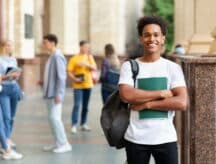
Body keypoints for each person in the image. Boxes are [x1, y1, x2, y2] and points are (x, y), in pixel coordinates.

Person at [118, 16, 188, 164]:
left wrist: (147, 104)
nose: (152, 39)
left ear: (162, 38)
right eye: (147, 35)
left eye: (156, 35)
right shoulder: (129, 66)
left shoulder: (172, 68)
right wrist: (161, 94)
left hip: (166, 138)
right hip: (136, 138)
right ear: (141, 39)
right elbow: (126, 95)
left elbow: (181, 102)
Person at [42, 34, 72, 153]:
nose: (44, 45)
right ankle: (58, 142)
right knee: (52, 119)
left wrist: (59, 94)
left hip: (55, 94)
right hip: (49, 93)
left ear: (53, 42)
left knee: (55, 119)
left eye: (45, 42)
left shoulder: (57, 56)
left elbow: (61, 77)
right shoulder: (52, 56)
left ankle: (64, 143)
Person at [67, 40, 97, 134]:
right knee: (77, 105)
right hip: (78, 85)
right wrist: (74, 79)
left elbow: (94, 68)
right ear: (80, 47)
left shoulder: (89, 57)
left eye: (88, 47)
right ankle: (74, 125)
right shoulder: (74, 58)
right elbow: (69, 71)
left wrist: (86, 64)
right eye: (85, 47)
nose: (87, 49)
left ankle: (83, 123)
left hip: (88, 84)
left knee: (85, 106)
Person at [0, 40, 23, 160]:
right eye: (8, 45)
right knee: (6, 117)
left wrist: (16, 75)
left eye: (11, 45)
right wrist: (9, 76)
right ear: (3, 46)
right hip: (4, 90)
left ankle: (7, 139)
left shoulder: (13, 59)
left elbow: (15, 76)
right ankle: (5, 144)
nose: (10, 47)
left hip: (14, 88)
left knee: (12, 116)